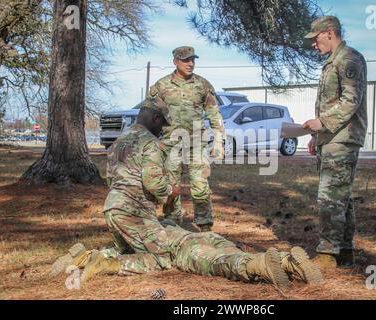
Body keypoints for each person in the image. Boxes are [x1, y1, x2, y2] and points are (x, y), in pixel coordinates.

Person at [52, 98, 322, 292]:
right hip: (135, 213)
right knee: (166, 257)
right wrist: (174, 190)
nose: (164, 130)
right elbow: (154, 184)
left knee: (205, 239)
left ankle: (89, 257)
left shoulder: (120, 141)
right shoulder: (150, 143)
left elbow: (114, 178)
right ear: (155, 119)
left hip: (117, 209)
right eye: (163, 124)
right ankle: (104, 263)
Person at [302, 16, 367, 268]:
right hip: (331, 137)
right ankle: (345, 251)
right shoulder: (332, 62)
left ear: (329, 33)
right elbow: (330, 103)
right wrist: (316, 135)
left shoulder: (349, 59)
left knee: (330, 196)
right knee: (342, 196)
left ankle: (327, 254)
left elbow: (351, 100)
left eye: (315, 38)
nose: (313, 44)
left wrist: (323, 123)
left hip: (343, 137)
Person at [148, 46, 224, 231]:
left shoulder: (203, 85)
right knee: (171, 185)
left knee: (200, 184)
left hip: (197, 143)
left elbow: (214, 114)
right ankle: (172, 223)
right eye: (186, 60)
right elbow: (150, 116)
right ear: (175, 62)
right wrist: (149, 143)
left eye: (193, 60)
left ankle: (205, 224)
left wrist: (218, 141)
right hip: (170, 144)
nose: (190, 64)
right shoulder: (161, 86)